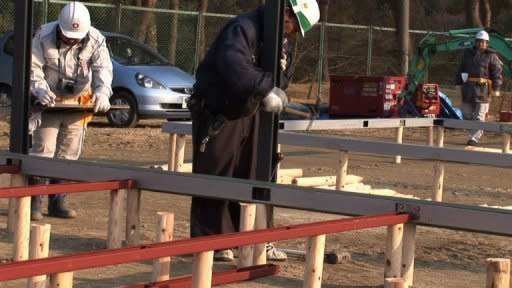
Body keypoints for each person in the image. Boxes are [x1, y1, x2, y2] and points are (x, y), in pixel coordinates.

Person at [188, 0, 320, 262]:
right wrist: (264, 87)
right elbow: (232, 64)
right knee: (217, 171)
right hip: (219, 111)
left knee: (254, 172)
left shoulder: (279, 43)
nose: (292, 34)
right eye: (294, 27)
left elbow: (282, 77)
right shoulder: (243, 29)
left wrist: (277, 81)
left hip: (251, 112)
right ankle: (213, 240)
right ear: (285, 13)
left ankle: (253, 236)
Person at [30, 1, 113, 220]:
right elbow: (33, 67)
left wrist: (103, 91)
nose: (71, 40)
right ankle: (34, 201)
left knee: (68, 153)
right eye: (67, 36)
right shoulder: (43, 35)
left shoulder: (95, 39)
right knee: (44, 150)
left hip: (78, 103)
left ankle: (58, 201)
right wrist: (38, 89)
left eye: (75, 38)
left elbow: (103, 67)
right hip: (49, 103)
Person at [457, 30, 502, 146]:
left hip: (483, 90)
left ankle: (474, 138)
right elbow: (461, 68)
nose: (481, 44)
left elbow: (497, 73)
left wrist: (496, 88)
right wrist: (458, 82)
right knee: (466, 113)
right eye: (479, 41)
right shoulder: (468, 54)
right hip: (468, 88)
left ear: (487, 43)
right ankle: (473, 133)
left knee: (479, 116)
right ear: (476, 42)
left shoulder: (491, 56)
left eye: (483, 42)